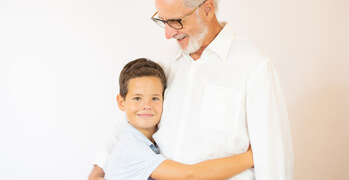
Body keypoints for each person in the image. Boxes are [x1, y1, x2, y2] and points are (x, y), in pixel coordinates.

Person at [89, 0, 293, 180]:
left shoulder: (253, 64)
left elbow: (273, 151)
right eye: (163, 21)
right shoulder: (166, 62)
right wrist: (100, 167)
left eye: (175, 21)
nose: (168, 34)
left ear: (207, 9)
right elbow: (135, 119)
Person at [106, 58, 254, 180]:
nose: (146, 106)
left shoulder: (153, 141)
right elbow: (190, 175)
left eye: (155, 98)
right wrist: (251, 157)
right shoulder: (131, 148)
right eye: (137, 98)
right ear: (121, 103)